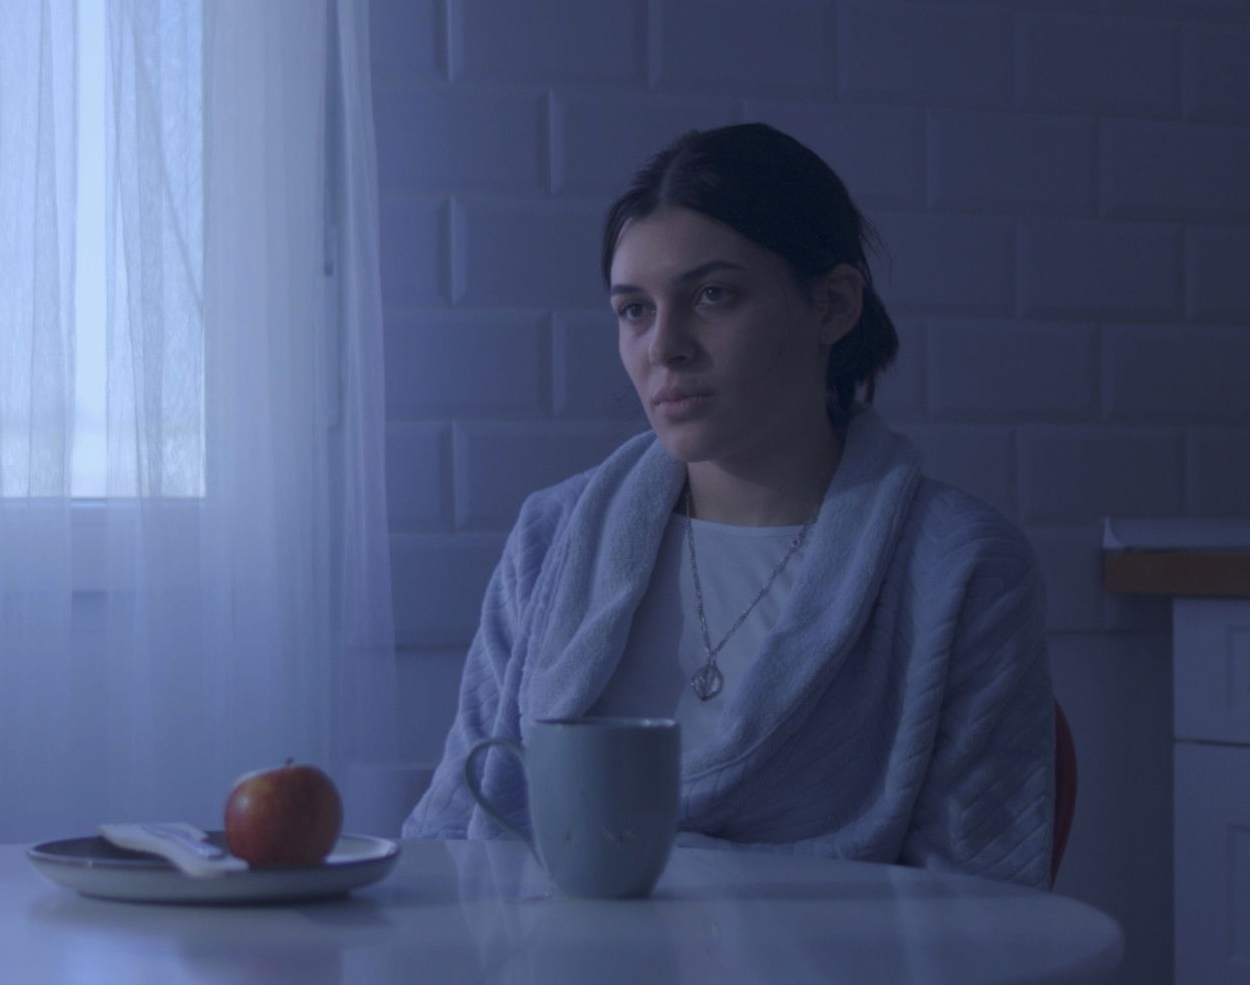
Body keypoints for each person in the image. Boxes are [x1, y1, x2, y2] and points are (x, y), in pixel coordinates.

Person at [402, 123, 1056, 889]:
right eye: (634, 310)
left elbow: (982, 896)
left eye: (713, 296)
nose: (664, 347)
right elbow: (452, 828)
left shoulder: (958, 568)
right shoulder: (555, 534)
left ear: (833, 306)